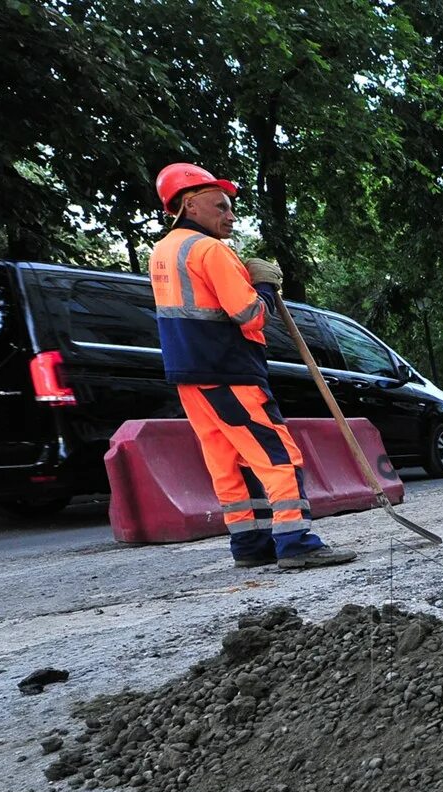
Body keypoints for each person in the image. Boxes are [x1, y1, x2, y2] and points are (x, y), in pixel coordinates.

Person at [149, 163, 354, 570]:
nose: (230, 215)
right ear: (190, 205)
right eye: (220, 207)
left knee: (225, 460)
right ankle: (296, 540)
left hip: (191, 374)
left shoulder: (164, 251)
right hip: (230, 370)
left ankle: (249, 543)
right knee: (276, 453)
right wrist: (264, 286)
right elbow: (250, 315)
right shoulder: (209, 250)